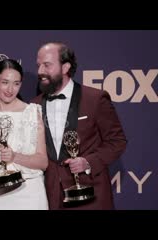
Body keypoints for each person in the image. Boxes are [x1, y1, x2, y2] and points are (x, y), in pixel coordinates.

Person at [31, 42, 127, 210]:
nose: (40, 72)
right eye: (38, 66)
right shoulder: (34, 105)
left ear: (65, 67)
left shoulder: (95, 99)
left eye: (47, 65)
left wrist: (88, 162)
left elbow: (117, 141)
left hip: (90, 194)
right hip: (50, 197)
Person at [0, 59, 49, 210]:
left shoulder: (32, 112)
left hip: (29, 193)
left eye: (16, 83)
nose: (10, 89)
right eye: (5, 82)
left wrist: (14, 157)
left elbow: (42, 162)